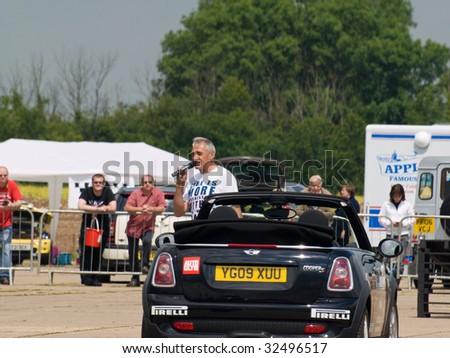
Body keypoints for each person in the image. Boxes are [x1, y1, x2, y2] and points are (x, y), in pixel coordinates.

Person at [174, 137, 241, 219]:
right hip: (198, 230)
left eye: (199, 153)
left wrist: (239, 230)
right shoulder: (192, 178)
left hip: (216, 229)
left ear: (211, 155)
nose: (195, 158)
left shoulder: (224, 175)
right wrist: (179, 185)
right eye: (193, 154)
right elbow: (178, 212)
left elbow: (235, 208)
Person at [124, 175, 166, 287]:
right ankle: (134, 278)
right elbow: (127, 207)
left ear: (153, 183)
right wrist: (140, 209)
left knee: (147, 242)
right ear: (141, 183)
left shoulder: (158, 193)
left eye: (149, 182)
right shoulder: (135, 193)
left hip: (148, 226)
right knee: (133, 254)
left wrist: (152, 209)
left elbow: (162, 207)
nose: (147, 184)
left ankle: (145, 264)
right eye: (145, 182)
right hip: (133, 227)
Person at [78, 174, 116, 287]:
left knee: (98, 253)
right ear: (92, 183)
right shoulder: (87, 192)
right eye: (96, 182)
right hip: (88, 226)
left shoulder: (107, 192)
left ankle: (94, 277)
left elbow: (113, 207)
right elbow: (80, 205)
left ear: (104, 183)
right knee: (86, 252)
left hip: (102, 227)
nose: (98, 184)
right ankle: (85, 277)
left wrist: (106, 208)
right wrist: (98, 209)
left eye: (100, 182)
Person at [378, 184, 415, 281]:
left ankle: (397, 280)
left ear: (402, 195)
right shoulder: (386, 204)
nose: (396, 198)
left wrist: (402, 223)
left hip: (403, 234)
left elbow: (412, 219)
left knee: (401, 260)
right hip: (391, 234)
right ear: (391, 195)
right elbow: (381, 218)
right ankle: (388, 279)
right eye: (395, 195)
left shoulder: (407, 204)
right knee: (388, 258)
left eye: (398, 195)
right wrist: (390, 223)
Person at [0, 166, 22, 285]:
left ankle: (4, 276)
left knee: (6, 249)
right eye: (0, 175)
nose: (3, 177)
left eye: (5, 175)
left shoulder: (12, 185)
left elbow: (19, 202)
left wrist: (11, 205)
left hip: (6, 223)